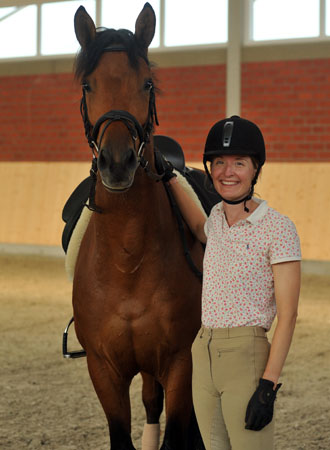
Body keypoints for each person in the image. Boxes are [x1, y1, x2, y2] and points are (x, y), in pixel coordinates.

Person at [166, 115, 301, 450]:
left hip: (246, 357)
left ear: (256, 169)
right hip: (203, 352)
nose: (228, 172)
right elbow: (199, 228)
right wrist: (171, 178)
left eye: (239, 163)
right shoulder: (216, 218)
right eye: (219, 163)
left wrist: (268, 386)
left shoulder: (278, 228)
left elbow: (288, 316)